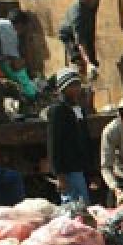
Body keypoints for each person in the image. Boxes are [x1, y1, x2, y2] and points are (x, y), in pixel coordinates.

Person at [47, 67, 95, 204]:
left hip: (79, 168)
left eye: (77, 85)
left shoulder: (79, 109)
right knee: (75, 209)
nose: (76, 89)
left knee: (82, 205)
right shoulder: (58, 110)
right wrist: (60, 175)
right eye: (71, 86)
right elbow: (53, 144)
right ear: (63, 88)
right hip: (68, 170)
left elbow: (85, 138)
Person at [58, 0, 110, 71]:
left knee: (93, 60)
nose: (95, 0)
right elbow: (80, 42)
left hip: (86, 29)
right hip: (69, 35)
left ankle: (90, 74)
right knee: (82, 62)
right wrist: (88, 63)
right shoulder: (77, 14)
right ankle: (78, 80)